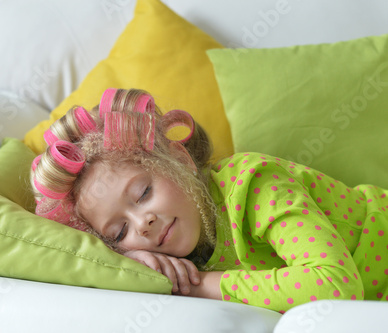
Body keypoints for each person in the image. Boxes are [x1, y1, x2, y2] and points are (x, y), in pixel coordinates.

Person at [30, 88, 388, 312]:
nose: (143, 223)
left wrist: (199, 284)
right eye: (120, 230)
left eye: (143, 193)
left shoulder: (254, 182)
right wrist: (131, 260)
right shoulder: (168, 255)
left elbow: (335, 285)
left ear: (180, 160)